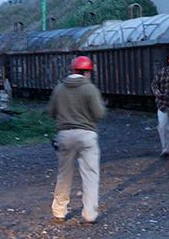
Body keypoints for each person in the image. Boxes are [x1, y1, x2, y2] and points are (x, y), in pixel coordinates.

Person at [48, 55, 105, 224]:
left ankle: (59, 211)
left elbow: (51, 111)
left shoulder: (59, 88)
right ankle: (89, 214)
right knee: (90, 174)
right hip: (87, 136)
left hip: (65, 135)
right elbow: (99, 114)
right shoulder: (90, 89)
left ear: (73, 70)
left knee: (64, 174)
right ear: (87, 72)